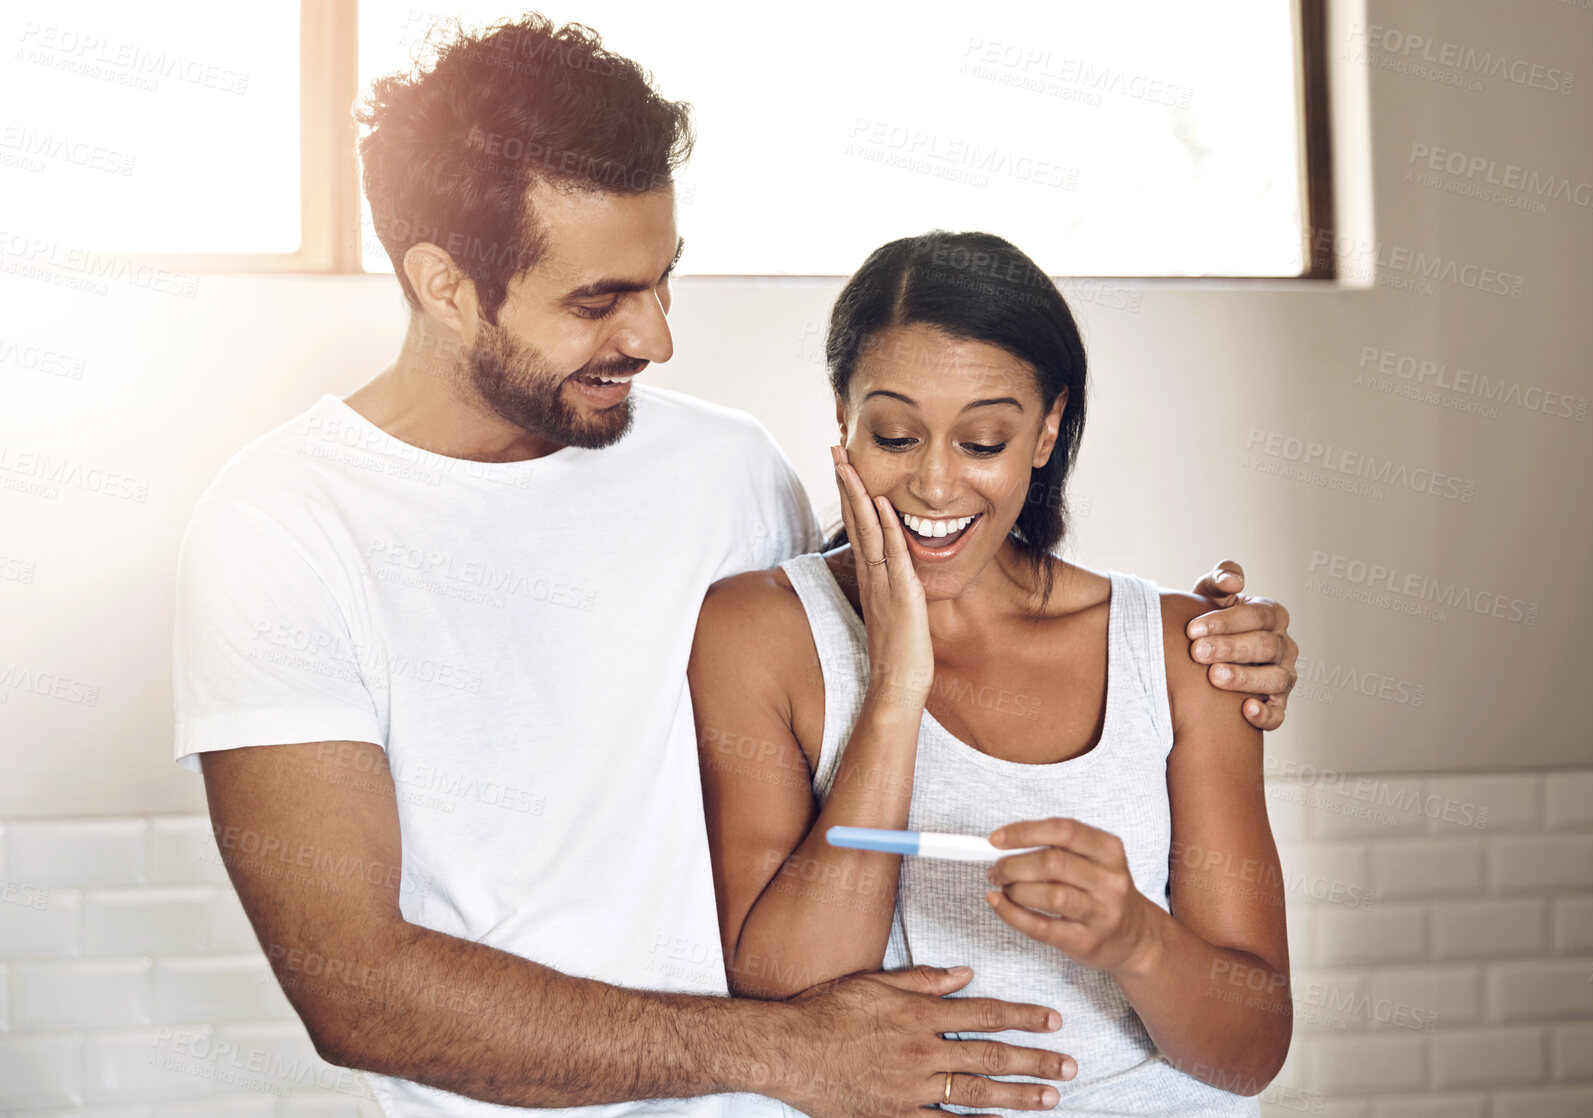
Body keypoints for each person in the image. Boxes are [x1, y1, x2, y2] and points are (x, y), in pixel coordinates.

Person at [171, 16, 1300, 1118]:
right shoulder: (284, 527)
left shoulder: (722, 468)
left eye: (662, 279)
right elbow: (355, 987)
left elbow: (914, 605)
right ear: (445, 282)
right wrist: (783, 1048)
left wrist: (1213, 652)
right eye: (598, 301)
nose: (657, 338)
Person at [691, 232, 1290, 1116]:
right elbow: (789, 998)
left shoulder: (1184, 651)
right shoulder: (759, 634)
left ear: (1046, 430)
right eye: (894, 435)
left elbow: (1250, 1055)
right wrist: (895, 689)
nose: (934, 485)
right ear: (842, 417)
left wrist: (1138, 941)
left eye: (982, 441)